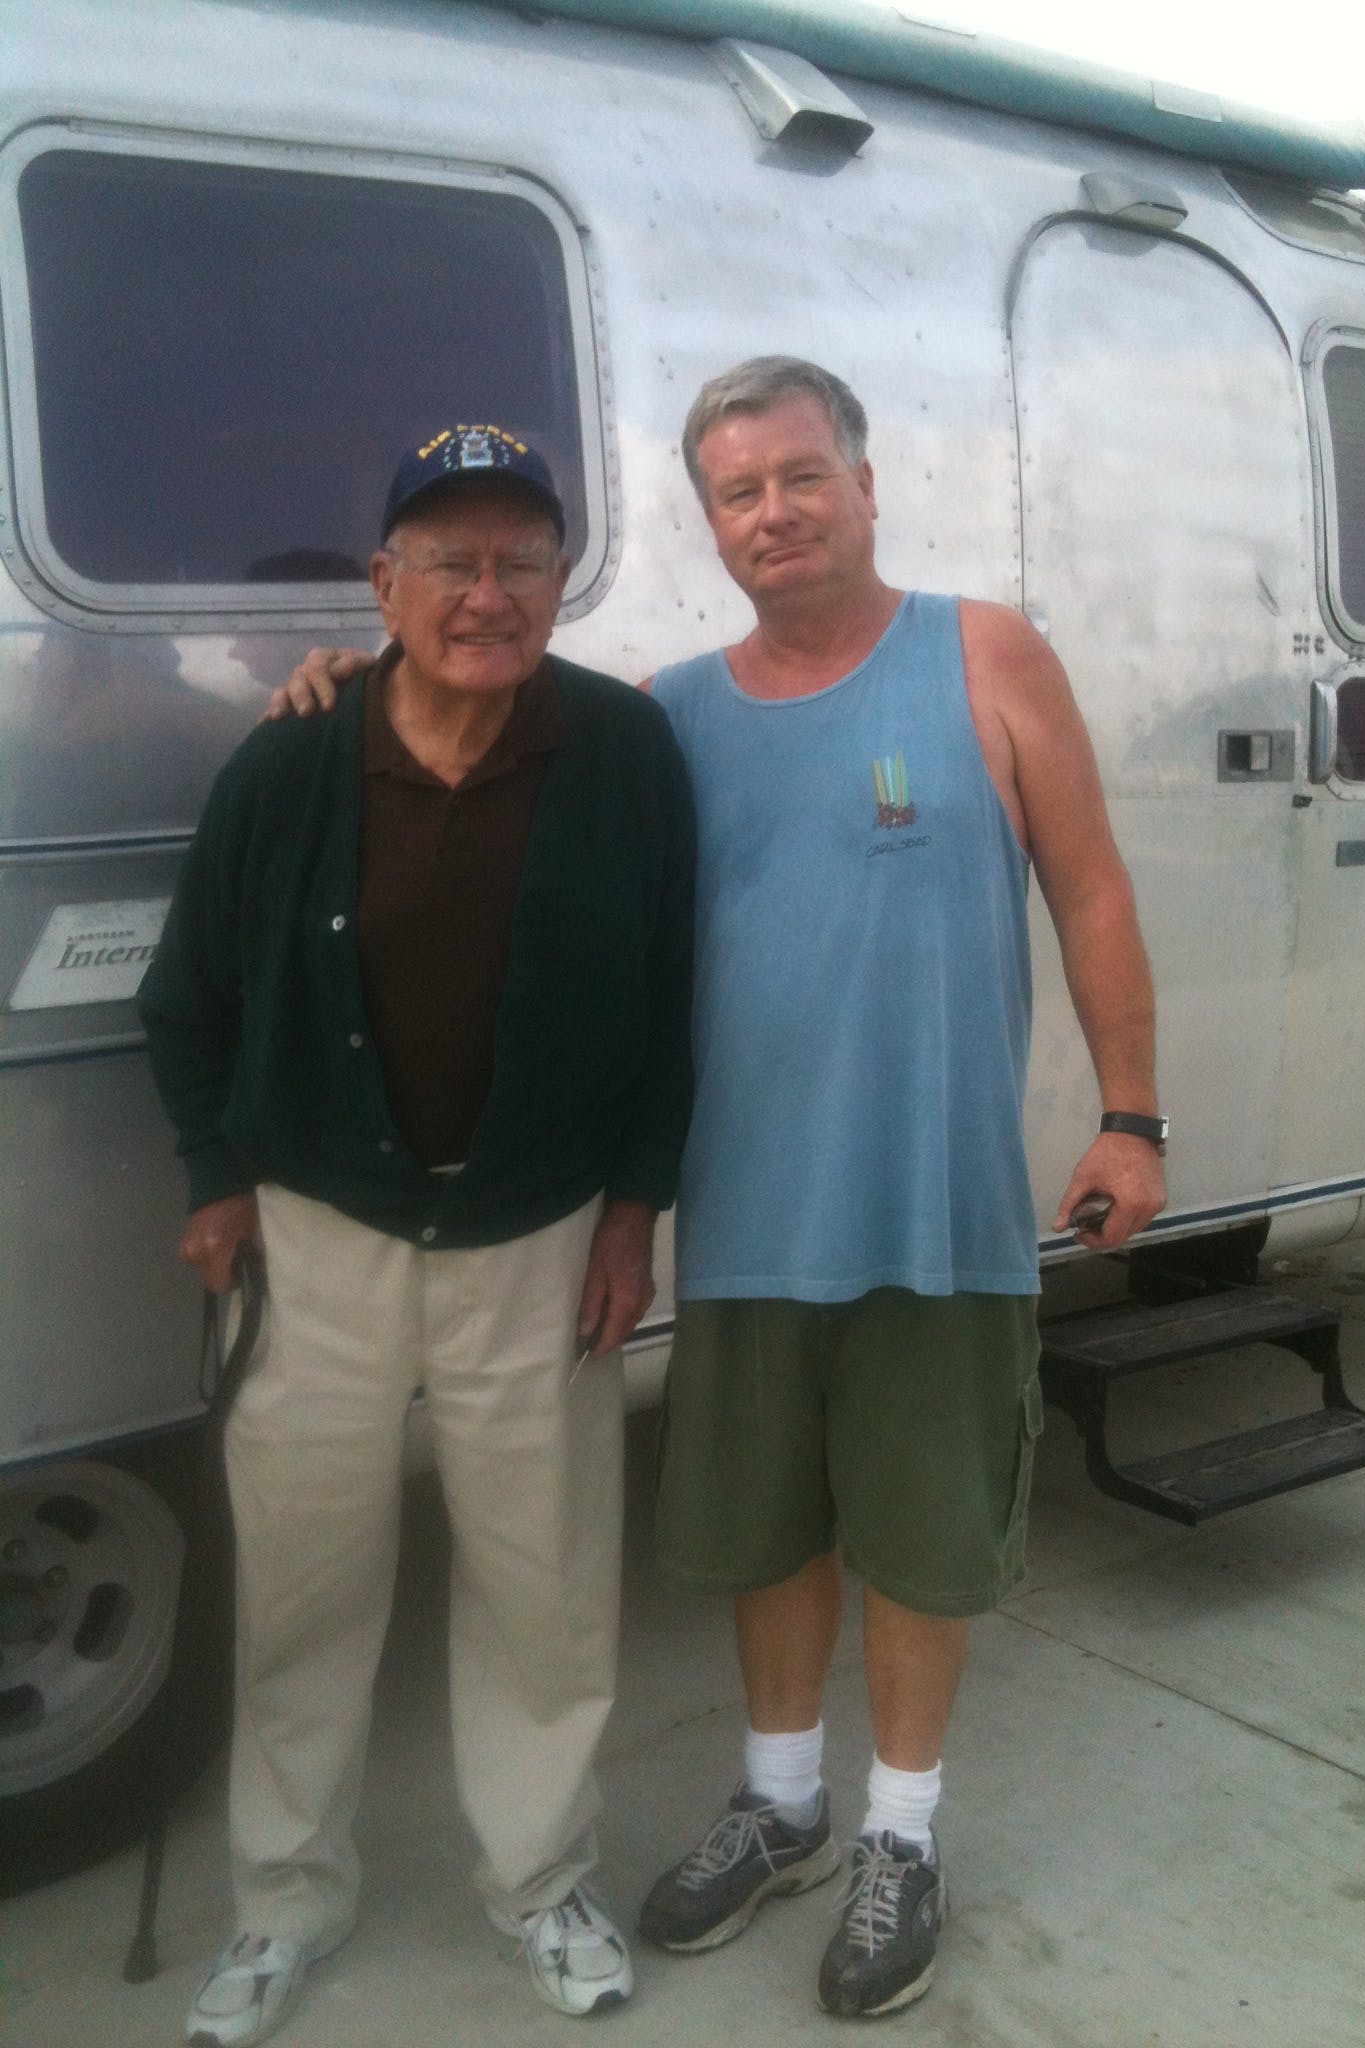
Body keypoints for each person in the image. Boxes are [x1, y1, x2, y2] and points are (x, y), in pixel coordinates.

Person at [279, 358, 1167, 2022]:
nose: (774, 511)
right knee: (769, 1527)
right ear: (712, 524)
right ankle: (782, 1805)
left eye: (800, 475)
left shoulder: (985, 655)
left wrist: (1131, 1115)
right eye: (739, 492)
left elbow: (1095, 889)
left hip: (937, 1206)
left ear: (865, 482)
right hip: (746, 1211)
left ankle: (903, 1831)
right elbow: (469, 714)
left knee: (915, 1539)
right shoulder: (670, 717)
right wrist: (338, 677)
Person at [140, 424, 695, 2048]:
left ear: (557, 582)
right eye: (447, 559)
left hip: (539, 1237)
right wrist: (212, 1179)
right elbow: (192, 998)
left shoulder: (621, 750)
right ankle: (283, 1901)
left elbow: (672, 1007)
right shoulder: (292, 757)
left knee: (545, 1587)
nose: (487, 590)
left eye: (522, 558)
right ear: (383, 585)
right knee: (307, 1586)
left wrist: (633, 1214)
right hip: (317, 1233)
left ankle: (538, 1882)